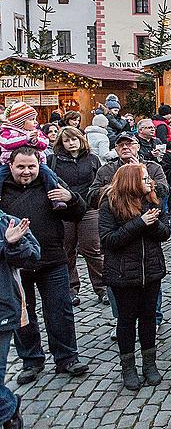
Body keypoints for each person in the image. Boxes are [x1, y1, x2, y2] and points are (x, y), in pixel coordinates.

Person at [1, 146, 89, 384]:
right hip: (16, 264)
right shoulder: (2, 188)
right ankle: (31, 360)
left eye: (32, 166)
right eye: (21, 167)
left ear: (39, 165)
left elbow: (78, 213)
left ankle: (67, 358)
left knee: (60, 310)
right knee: (23, 315)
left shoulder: (50, 182)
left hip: (52, 259)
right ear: (10, 166)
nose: (27, 172)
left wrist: (71, 198)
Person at [98, 163, 170, 390]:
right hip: (123, 274)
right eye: (145, 178)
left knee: (148, 317)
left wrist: (151, 223)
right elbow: (108, 240)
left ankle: (150, 363)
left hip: (150, 271)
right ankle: (128, 366)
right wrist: (139, 223)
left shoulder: (152, 200)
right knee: (126, 320)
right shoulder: (110, 204)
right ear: (130, 181)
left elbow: (165, 233)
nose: (150, 181)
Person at [47, 127, 104, 306]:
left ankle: (102, 287)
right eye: (66, 140)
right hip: (64, 211)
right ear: (61, 143)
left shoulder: (92, 159)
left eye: (74, 139)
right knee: (67, 250)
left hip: (88, 209)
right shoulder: (53, 160)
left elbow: (98, 183)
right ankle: (71, 288)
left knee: (92, 249)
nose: (71, 143)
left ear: (81, 139)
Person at [0, 212, 36, 429]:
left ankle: (8, 409)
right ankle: (8, 406)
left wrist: (11, 244)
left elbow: (33, 255)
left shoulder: (7, 221)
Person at [0, 102, 64, 210]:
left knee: (49, 174)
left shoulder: (36, 132)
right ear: (20, 122)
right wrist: (26, 139)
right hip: (8, 162)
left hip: (37, 162)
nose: (35, 122)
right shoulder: (8, 132)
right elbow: (6, 143)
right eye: (31, 119)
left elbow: (45, 144)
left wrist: (35, 141)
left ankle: (55, 198)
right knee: (1, 175)